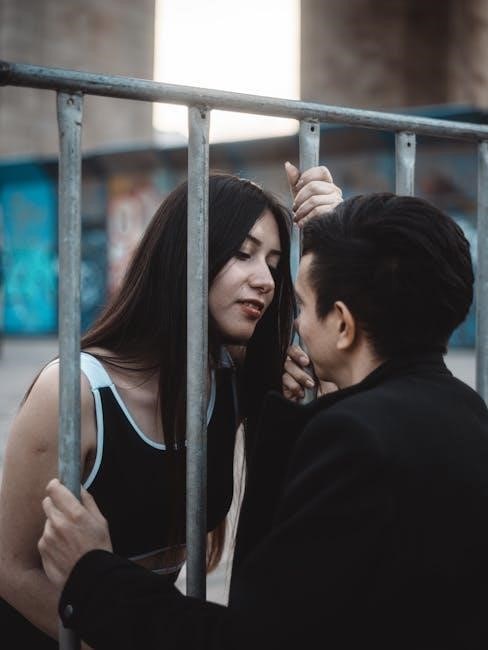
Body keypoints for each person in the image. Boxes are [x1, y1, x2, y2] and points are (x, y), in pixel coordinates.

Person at [39, 191, 488, 650]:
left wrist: (94, 573)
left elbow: (252, 638)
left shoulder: (355, 440)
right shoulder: (468, 413)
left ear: (343, 324)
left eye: (303, 306)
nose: (294, 323)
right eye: (244, 255)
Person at [0, 165, 342, 648]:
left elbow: (355, 410)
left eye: (272, 262)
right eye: (242, 253)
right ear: (184, 254)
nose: (264, 279)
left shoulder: (233, 378)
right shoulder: (76, 390)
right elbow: (10, 568)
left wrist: (336, 234)